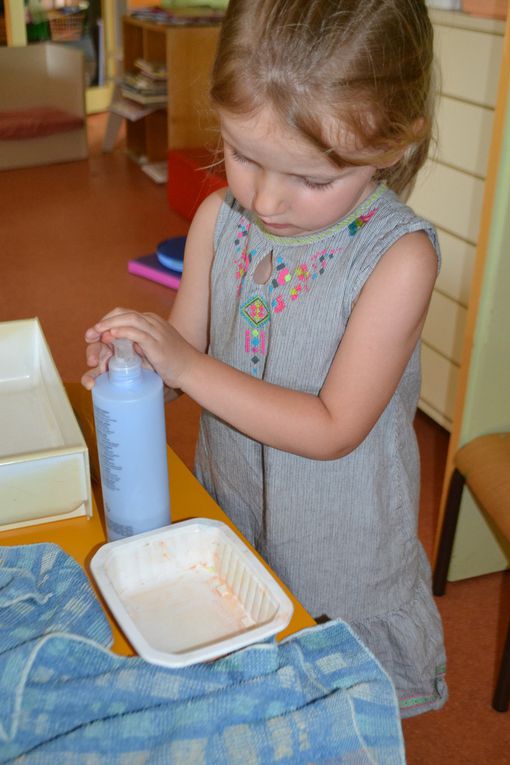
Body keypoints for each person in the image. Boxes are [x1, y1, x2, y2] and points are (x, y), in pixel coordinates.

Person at [83, 0, 447, 717]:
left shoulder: (397, 260)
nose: (268, 198)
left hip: (339, 555)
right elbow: (182, 362)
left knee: (329, 717)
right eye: (244, 155)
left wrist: (185, 365)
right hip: (234, 515)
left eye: (312, 179)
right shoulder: (221, 220)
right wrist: (136, 369)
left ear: (396, 142)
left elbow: (332, 425)